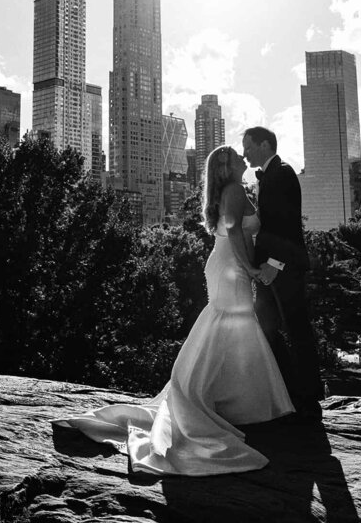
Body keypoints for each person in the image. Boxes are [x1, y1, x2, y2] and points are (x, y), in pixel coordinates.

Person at [52, 146, 293, 475]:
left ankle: (219, 396)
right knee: (230, 322)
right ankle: (209, 396)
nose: (241, 158)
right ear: (226, 166)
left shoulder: (232, 189)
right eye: (236, 156)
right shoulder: (235, 190)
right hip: (231, 265)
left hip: (224, 262)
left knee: (229, 323)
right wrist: (249, 267)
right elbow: (236, 231)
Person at [242, 125, 324, 421]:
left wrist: (274, 264)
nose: (245, 153)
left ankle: (309, 393)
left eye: (248, 147)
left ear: (264, 145)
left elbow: (287, 225)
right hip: (267, 268)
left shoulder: (283, 173)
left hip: (282, 267)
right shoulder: (268, 176)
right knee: (267, 327)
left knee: (296, 327)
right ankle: (286, 388)